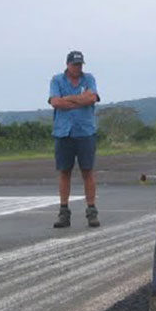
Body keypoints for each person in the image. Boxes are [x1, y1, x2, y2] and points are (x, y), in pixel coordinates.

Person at [49, 50, 101, 228]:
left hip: (85, 131)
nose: (78, 68)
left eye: (80, 65)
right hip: (64, 132)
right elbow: (55, 102)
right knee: (65, 172)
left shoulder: (89, 78)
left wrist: (68, 99)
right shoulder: (57, 80)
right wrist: (81, 99)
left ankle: (91, 211)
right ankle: (64, 212)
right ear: (68, 64)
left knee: (88, 171)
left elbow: (92, 98)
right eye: (75, 65)